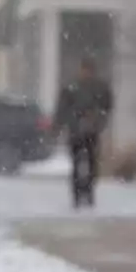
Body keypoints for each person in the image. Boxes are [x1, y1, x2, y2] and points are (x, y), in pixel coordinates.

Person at [53, 57, 113, 208]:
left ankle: (88, 191)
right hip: (76, 131)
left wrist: (98, 118)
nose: (86, 73)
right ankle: (77, 194)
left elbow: (106, 106)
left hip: (92, 131)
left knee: (92, 164)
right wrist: (61, 125)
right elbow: (63, 108)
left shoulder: (99, 87)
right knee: (76, 164)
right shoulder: (72, 87)